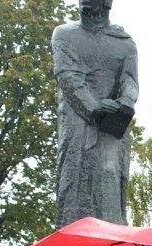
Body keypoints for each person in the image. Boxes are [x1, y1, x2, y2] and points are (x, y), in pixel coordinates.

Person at [52, 0, 138, 227]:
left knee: (110, 183)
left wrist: (126, 101)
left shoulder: (125, 43)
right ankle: (73, 239)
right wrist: (94, 108)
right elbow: (68, 77)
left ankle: (112, 239)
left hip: (112, 128)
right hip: (78, 125)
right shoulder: (64, 35)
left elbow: (129, 80)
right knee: (73, 186)